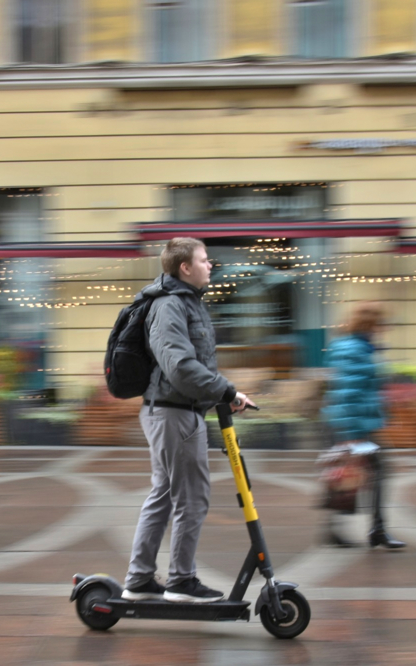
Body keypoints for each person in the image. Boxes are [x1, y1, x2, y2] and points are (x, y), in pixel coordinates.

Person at [122, 237, 256, 603]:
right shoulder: (169, 306)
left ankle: (139, 579)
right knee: (191, 497)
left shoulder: (185, 303)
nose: (210, 265)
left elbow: (191, 365)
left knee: (164, 495)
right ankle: (181, 581)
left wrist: (223, 393)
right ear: (185, 267)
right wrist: (226, 391)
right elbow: (180, 368)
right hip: (174, 413)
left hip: (174, 411)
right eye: (204, 259)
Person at [322, 302, 406, 549]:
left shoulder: (359, 347)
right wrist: (351, 436)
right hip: (352, 426)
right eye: (381, 324)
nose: (384, 329)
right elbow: (348, 393)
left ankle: (347, 530)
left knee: (347, 476)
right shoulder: (354, 350)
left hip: (357, 424)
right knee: (354, 475)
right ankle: (373, 530)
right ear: (371, 324)